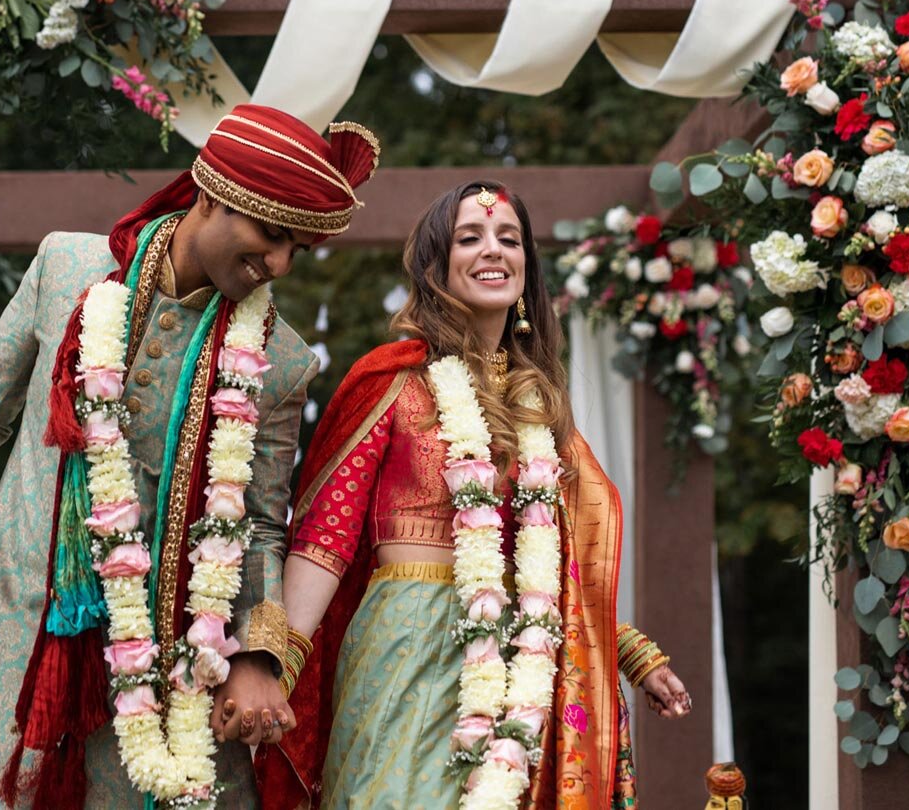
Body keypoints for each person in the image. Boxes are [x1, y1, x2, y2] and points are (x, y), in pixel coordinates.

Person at [0, 107, 380, 809]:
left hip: (161, 670)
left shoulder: (282, 359)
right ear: (208, 193)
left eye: (296, 249)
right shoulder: (66, 266)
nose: (277, 263)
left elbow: (263, 525)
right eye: (271, 233)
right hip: (23, 632)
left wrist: (259, 655)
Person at [258, 180, 691, 810]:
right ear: (437, 266)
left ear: (526, 269)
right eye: (470, 237)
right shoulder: (392, 380)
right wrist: (272, 667)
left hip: (520, 662)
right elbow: (325, 541)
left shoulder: (538, 412)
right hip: (406, 647)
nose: (493, 249)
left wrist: (625, 649)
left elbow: (552, 563)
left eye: (508, 238)